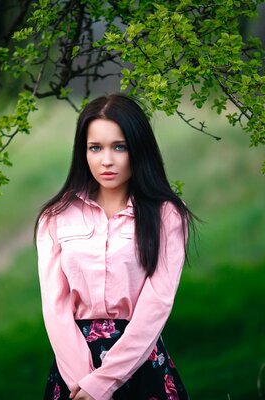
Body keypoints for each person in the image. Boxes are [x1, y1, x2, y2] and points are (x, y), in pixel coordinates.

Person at [35, 94, 195, 400]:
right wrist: (82, 382)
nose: (106, 160)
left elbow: (156, 304)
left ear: (138, 149)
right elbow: (54, 307)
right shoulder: (55, 217)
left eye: (119, 147)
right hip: (73, 372)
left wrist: (103, 383)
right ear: (83, 152)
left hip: (139, 366)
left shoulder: (167, 215)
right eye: (95, 148)